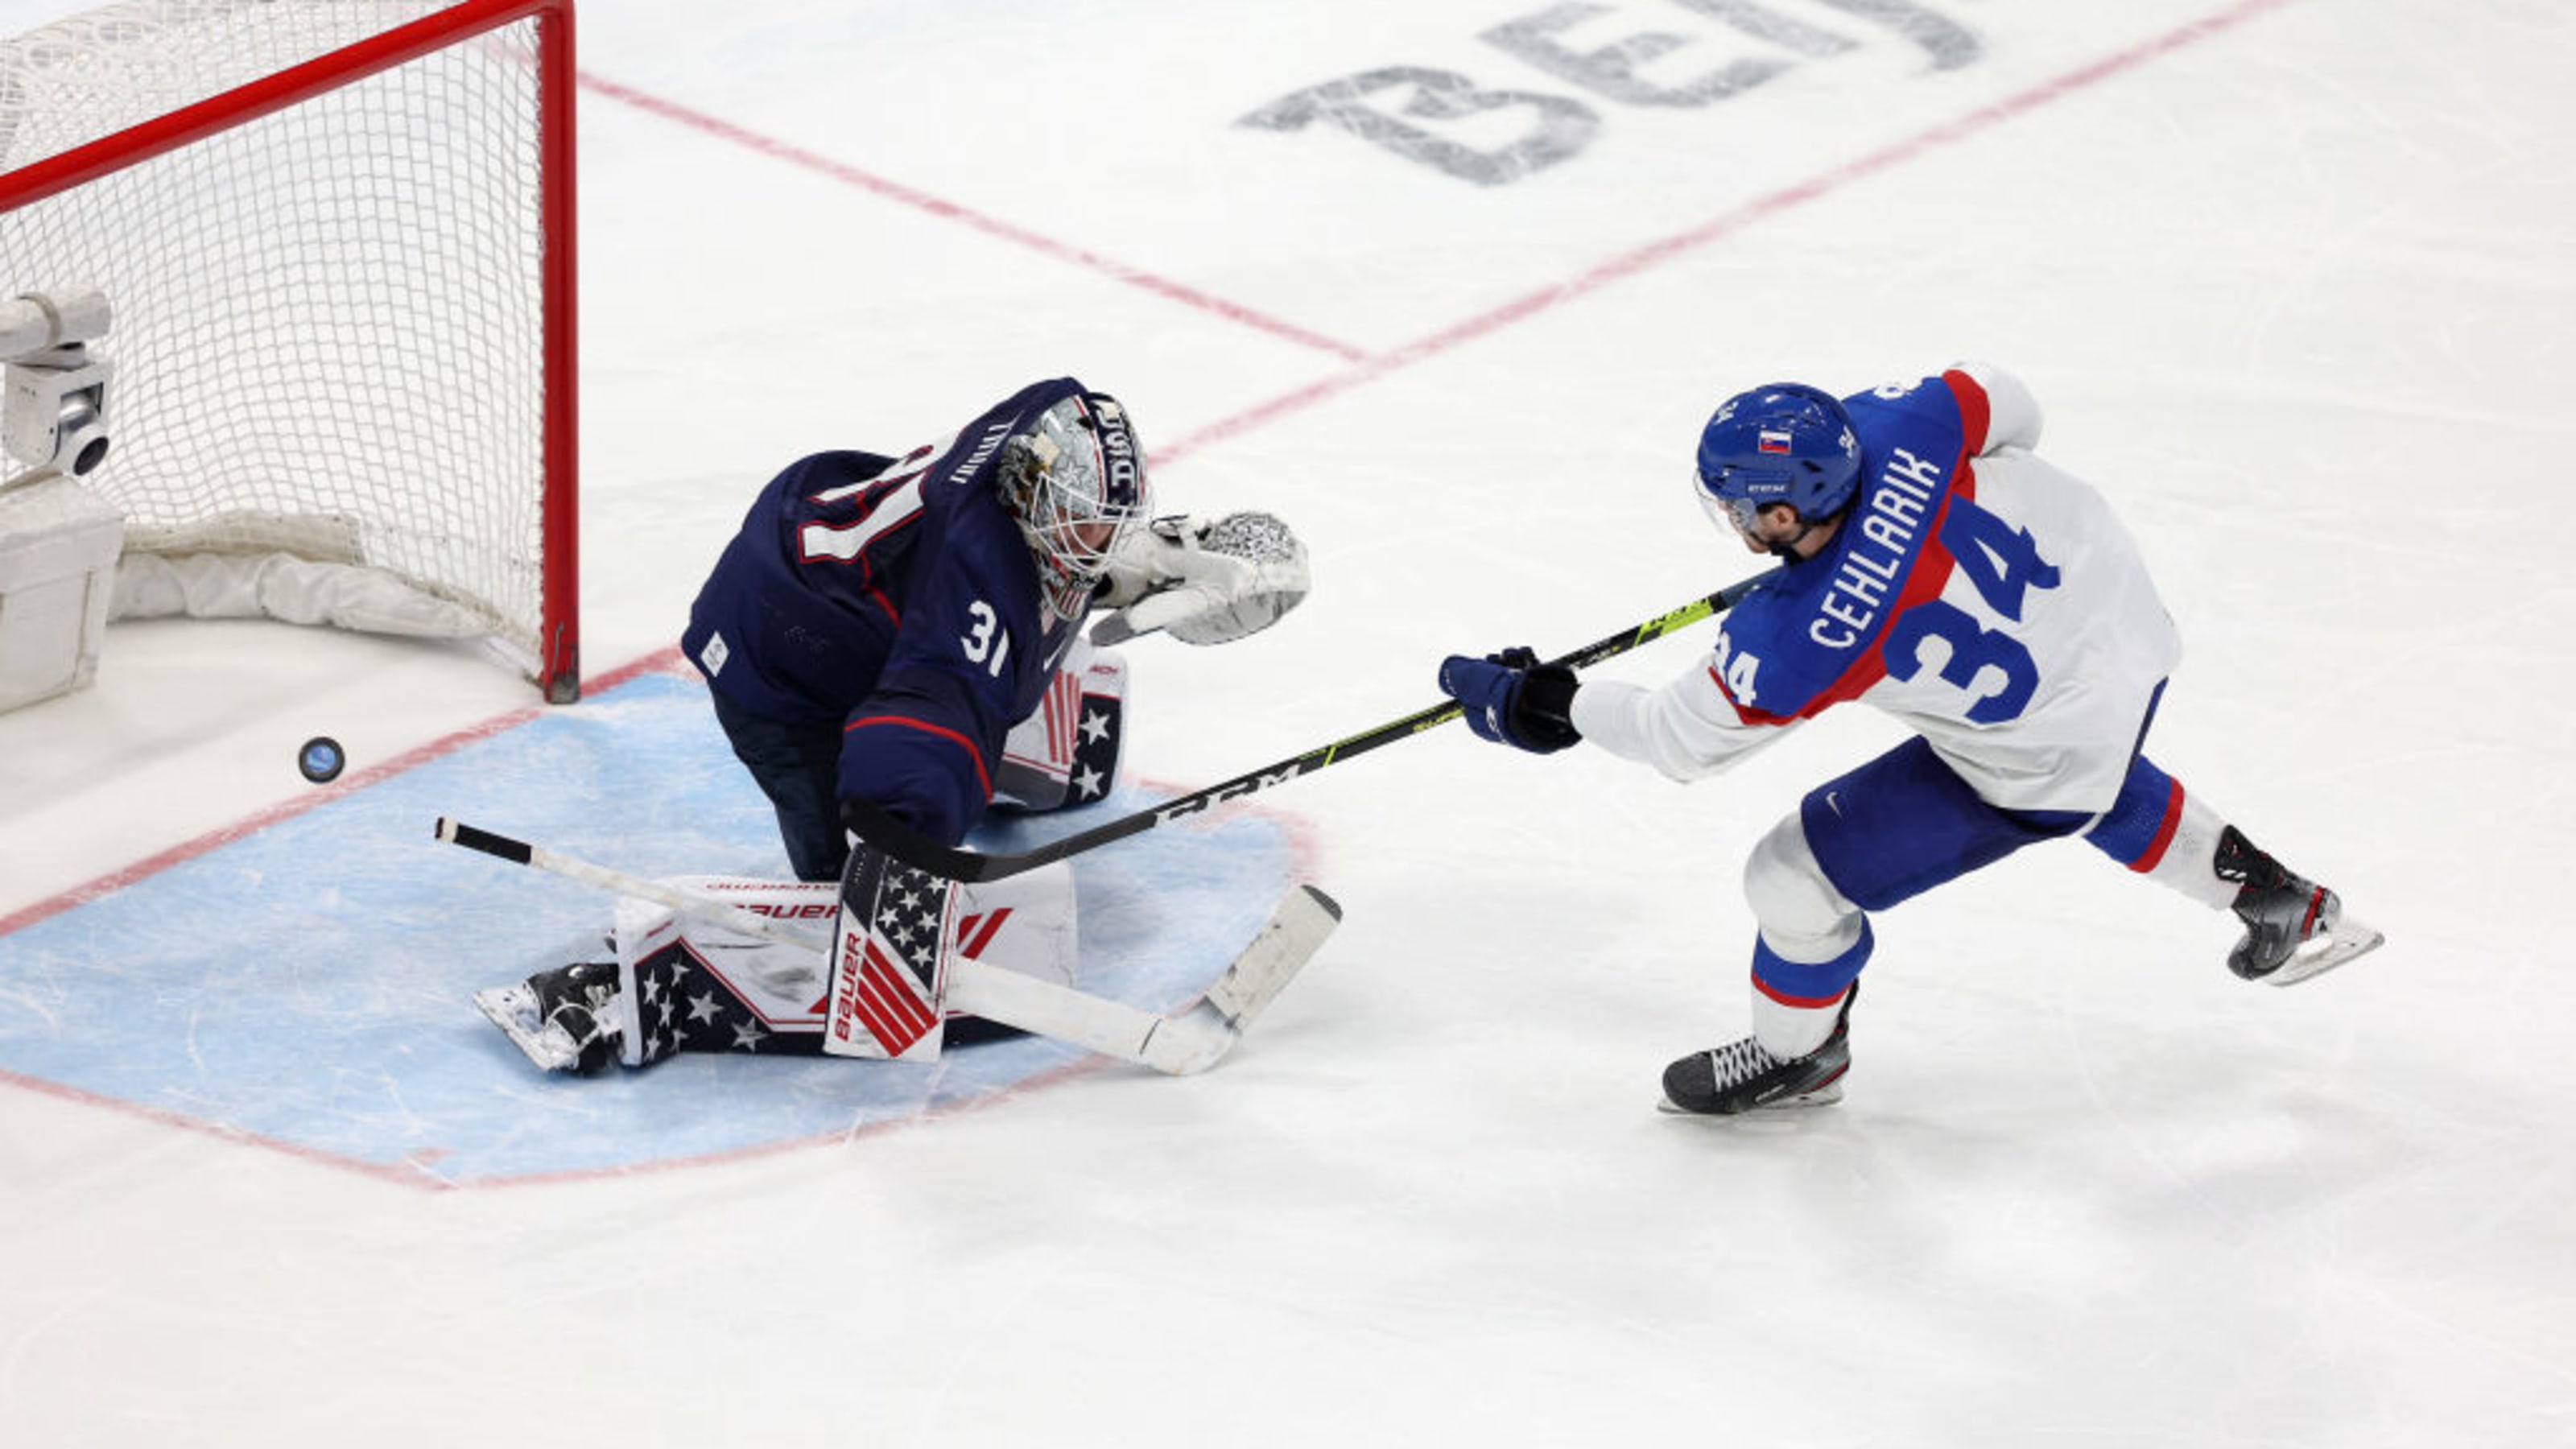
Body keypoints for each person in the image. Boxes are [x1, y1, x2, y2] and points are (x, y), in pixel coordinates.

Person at [1436, 363, 2380, 1116]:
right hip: (2126, 628)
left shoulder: (1804, 636)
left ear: (1780, 514)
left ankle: (1794, 1058)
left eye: (1738, 506)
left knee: (1790, 878)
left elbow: (1677, 740)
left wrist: (1545, 705)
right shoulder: (1909, 421)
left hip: (2044, 740)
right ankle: (2273, 896)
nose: (1728, 518)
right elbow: (2012, 404)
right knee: (2083, 762)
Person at [477, 377, 1315, 1073]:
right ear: (1029, 492)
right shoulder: (980, 578)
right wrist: (901, 854)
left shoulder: (1036, 451)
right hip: (782, 667)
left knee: (1014, 649)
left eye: (1106, 519)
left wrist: (1199, 556)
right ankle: (621, 987)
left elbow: (1082, 540)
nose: (1098, 542)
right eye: (1085, 521)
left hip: (844, 579)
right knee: (857, 904)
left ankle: (1029, 750)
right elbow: (923, 720)